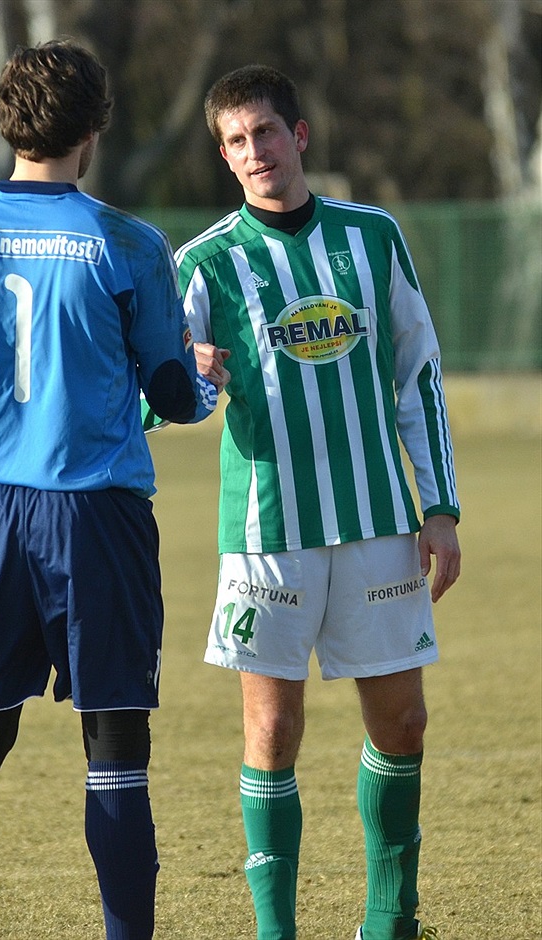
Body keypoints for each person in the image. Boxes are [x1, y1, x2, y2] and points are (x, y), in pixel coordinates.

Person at [0, 39, 228, 940]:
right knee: (116, 745)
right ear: (96, 126)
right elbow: (167, 392)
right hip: (97, 513)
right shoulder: (127, 242)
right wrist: (208, 382)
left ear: (5, 120)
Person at [176, 65, 461, 940]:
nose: (253, 151)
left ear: (298, 137)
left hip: (379, 521)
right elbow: (153, 393)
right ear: (225, 158)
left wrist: (440, 506)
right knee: (274, 729)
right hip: (268, 532)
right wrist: (185, 376)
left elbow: (418, 370)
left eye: (265, 132)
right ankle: (277, 933)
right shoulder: (205, 262)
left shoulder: (372, 238)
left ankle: (390, 922)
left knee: (403, 723)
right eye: (236, 140)